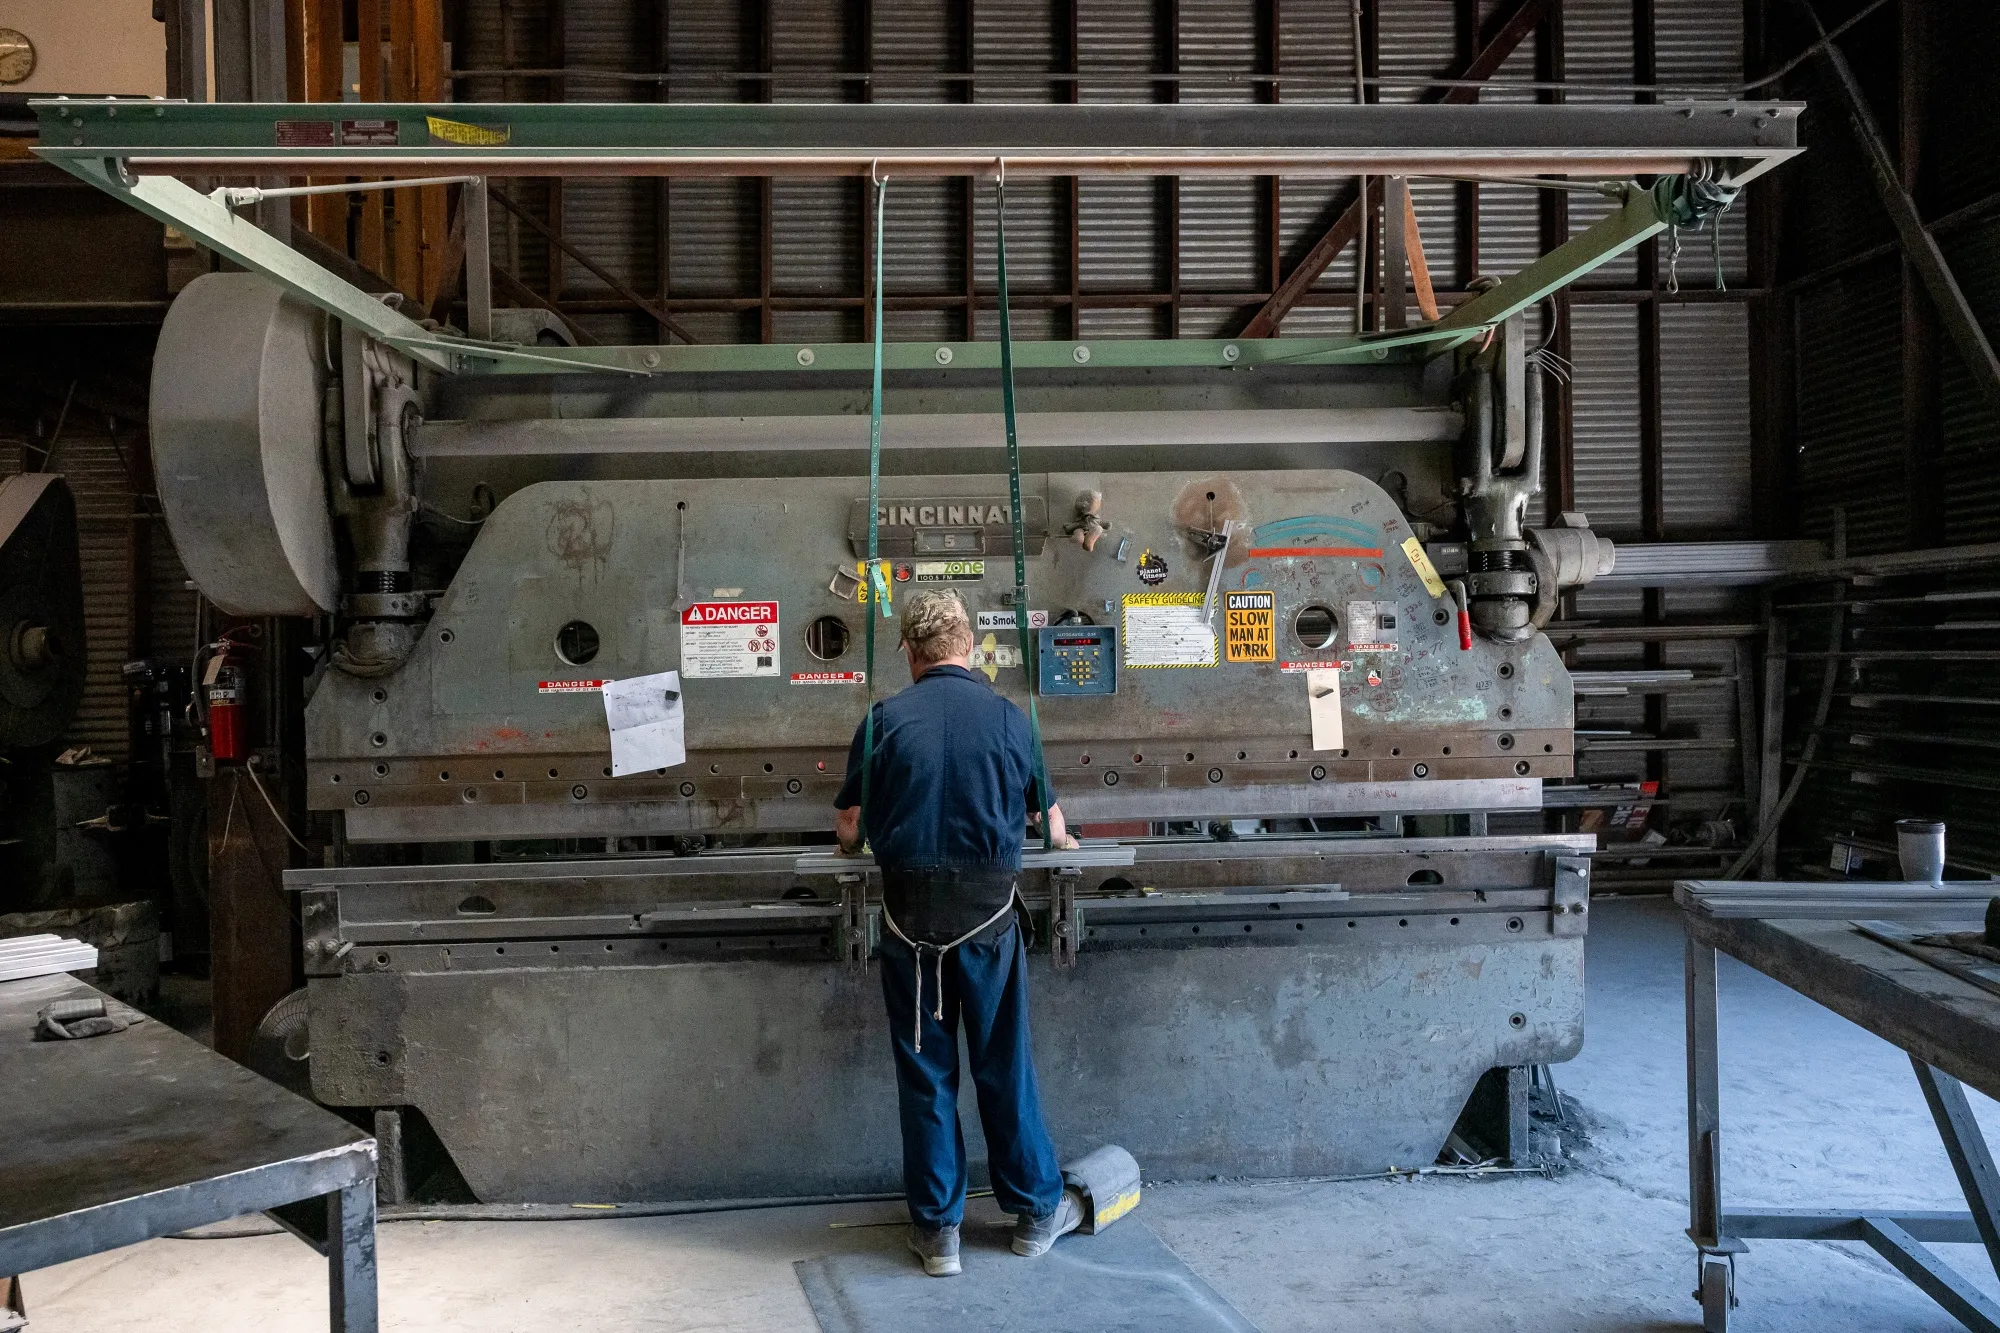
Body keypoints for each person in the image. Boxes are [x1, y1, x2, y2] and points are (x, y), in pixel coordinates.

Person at [833, 588, 1085, 1279]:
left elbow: (849, 828)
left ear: (911, 654)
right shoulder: (1011, 718)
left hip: (908, 928)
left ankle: (938, 1233)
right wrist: (1054, 834)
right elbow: (1054, 827)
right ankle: (1035, 1214)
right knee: (1003, 1066)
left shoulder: (882, 719)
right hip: (987, 929)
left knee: (926, 1076)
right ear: (969, 646)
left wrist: (856, 844)